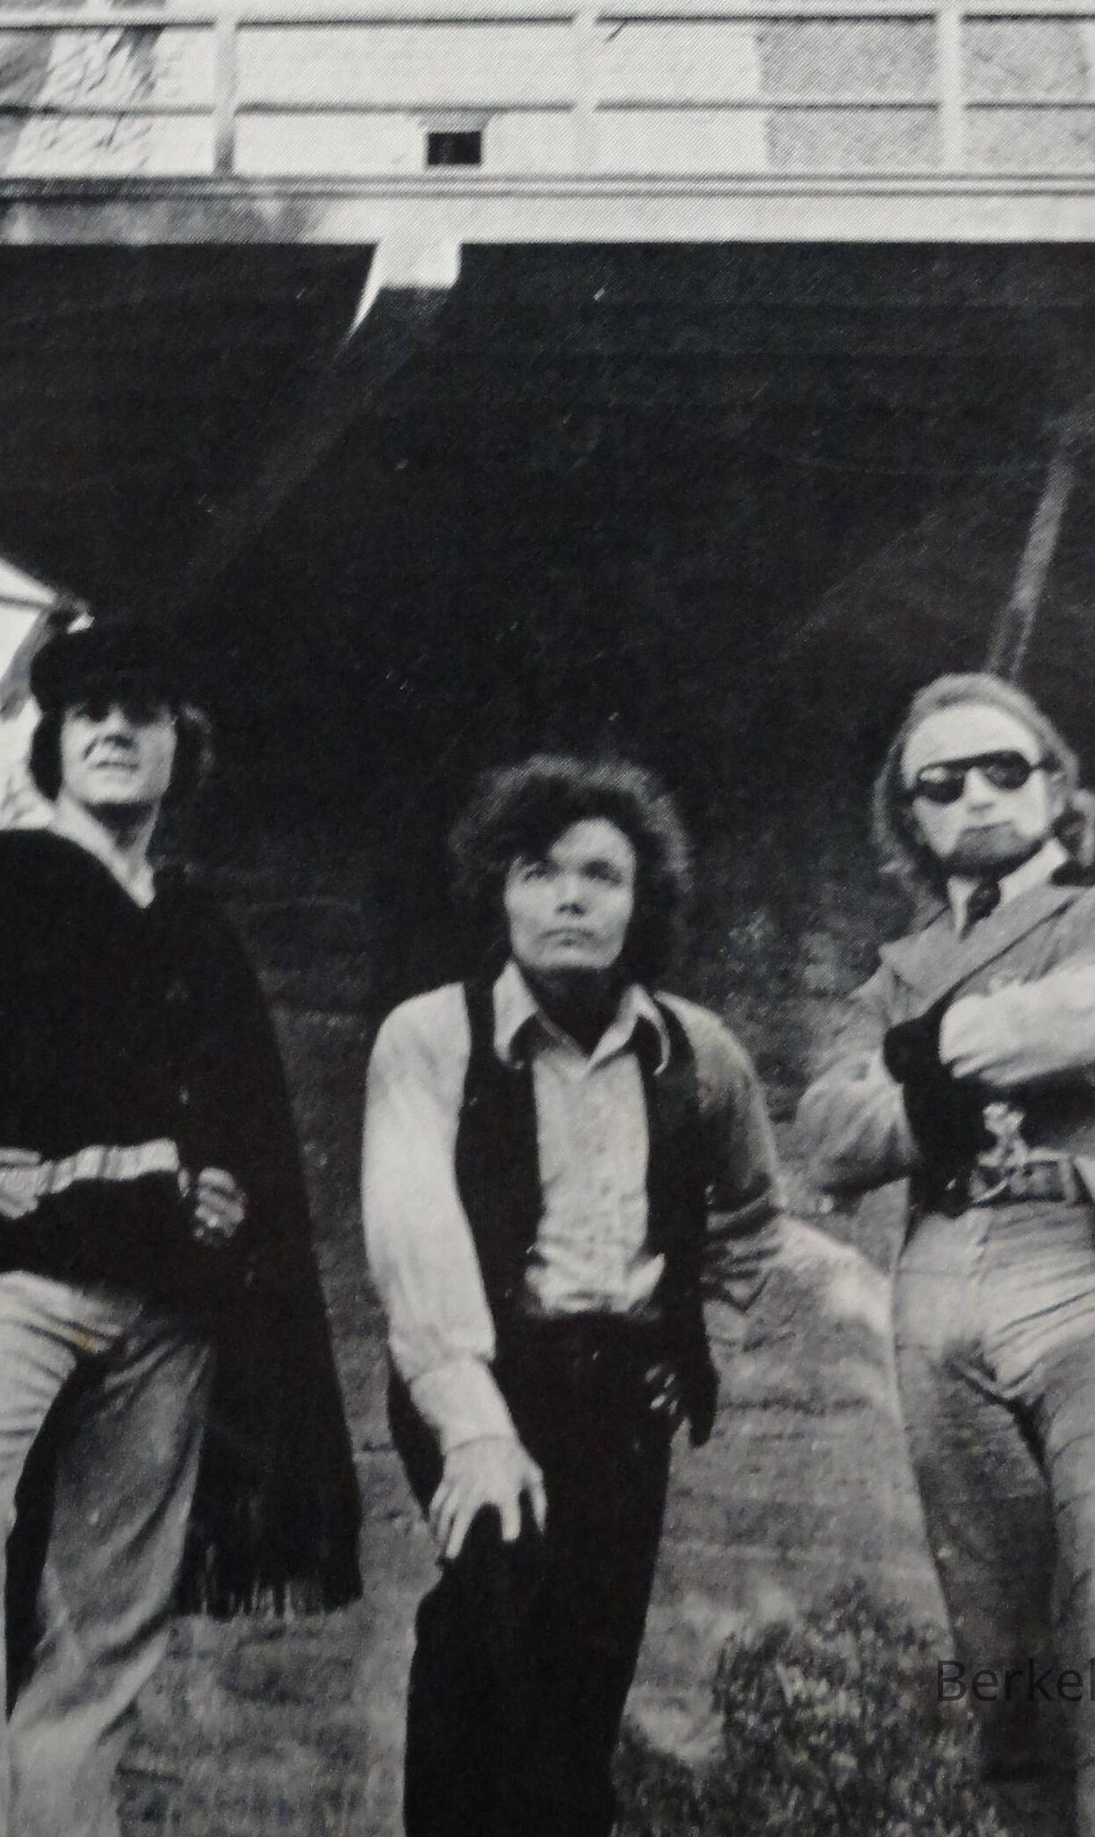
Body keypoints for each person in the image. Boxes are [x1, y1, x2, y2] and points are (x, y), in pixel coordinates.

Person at [0, 617, 359, 1837]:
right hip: (16, 1274)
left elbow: (248, 1123)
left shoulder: (199, 924)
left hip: (170, 1305)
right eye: (88, 710)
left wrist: (225, 1188)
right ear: (53, 741)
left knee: (112, 1618)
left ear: (180, 745)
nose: (115, 727)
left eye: (143, 709)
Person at [795, 672, 1095, 1837]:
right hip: (939, 1287)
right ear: (911, 818)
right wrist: (952, 1073)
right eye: (941, 783)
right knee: (1007, 1650)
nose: (977, 796)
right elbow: (831, 1135)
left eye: (1004, 768)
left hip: (1086, 1259)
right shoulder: (891, 972)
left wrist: (918, 1056)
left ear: (1055, 785)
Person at [362, 754, 782, 1837]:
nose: (570, 898)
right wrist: (475, 1430)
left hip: (624, 1398)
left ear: (641, 903)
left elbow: (750, 1215)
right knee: (493, 1626)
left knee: (583, 1684)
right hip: (479, 1372)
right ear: (498, 891)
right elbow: (414, 1236)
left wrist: (704, 1343)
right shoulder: (432, 1034)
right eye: (540, 871)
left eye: (602, 875)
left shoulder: (698, 1052)